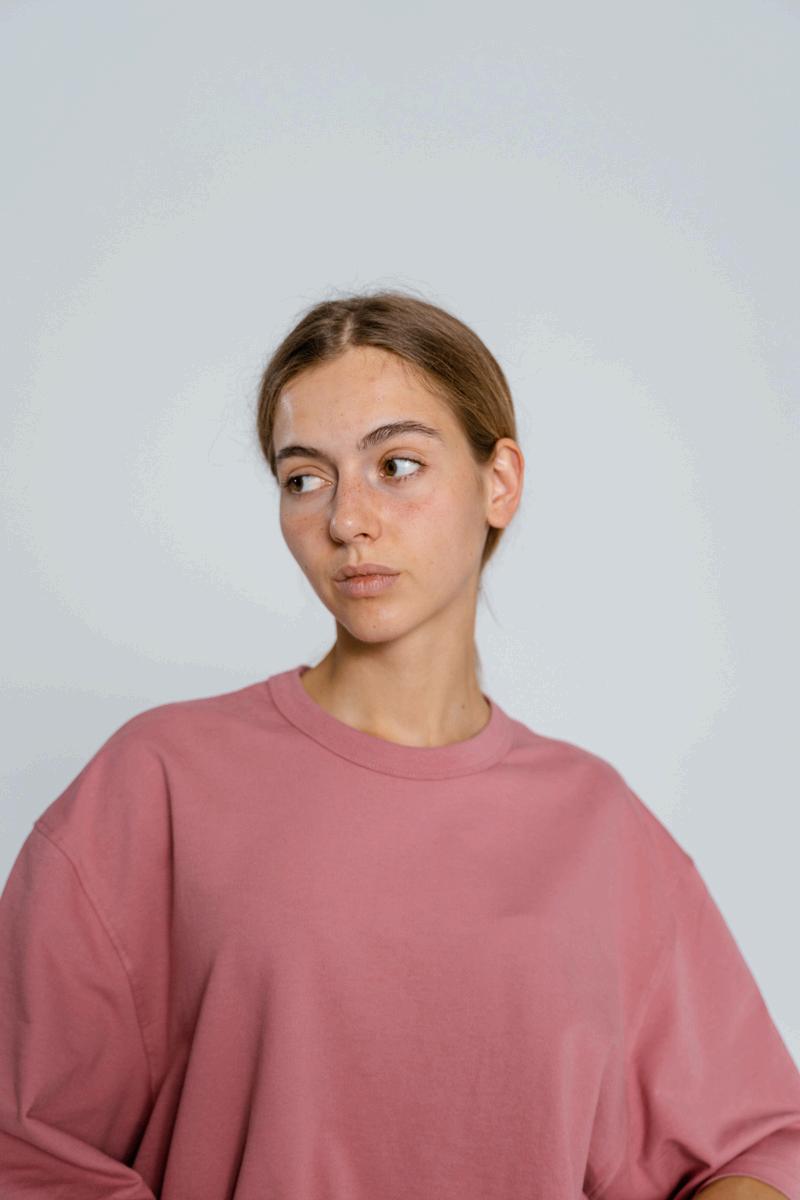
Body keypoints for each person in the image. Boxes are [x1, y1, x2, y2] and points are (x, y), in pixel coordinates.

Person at [1, 289, 798, 1200]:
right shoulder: (160, 780)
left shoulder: (597, 824)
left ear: (500, 482)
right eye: (305, 479)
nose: (347, 519)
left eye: (397, 465)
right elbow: (26, 1148)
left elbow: (760, 1144)